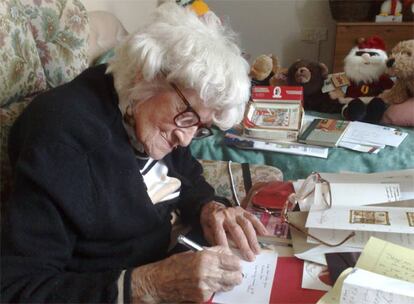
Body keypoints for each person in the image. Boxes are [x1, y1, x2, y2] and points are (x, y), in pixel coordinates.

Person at [1, 2, 268, 303]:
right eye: (188, 116)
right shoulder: (63, 141)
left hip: (185, 260)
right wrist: (148, 285)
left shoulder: (145, 110)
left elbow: (189, 176)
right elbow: (17, 287)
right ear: (146, 74)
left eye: (202, 126)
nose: (186, 137)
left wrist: (209, 208)